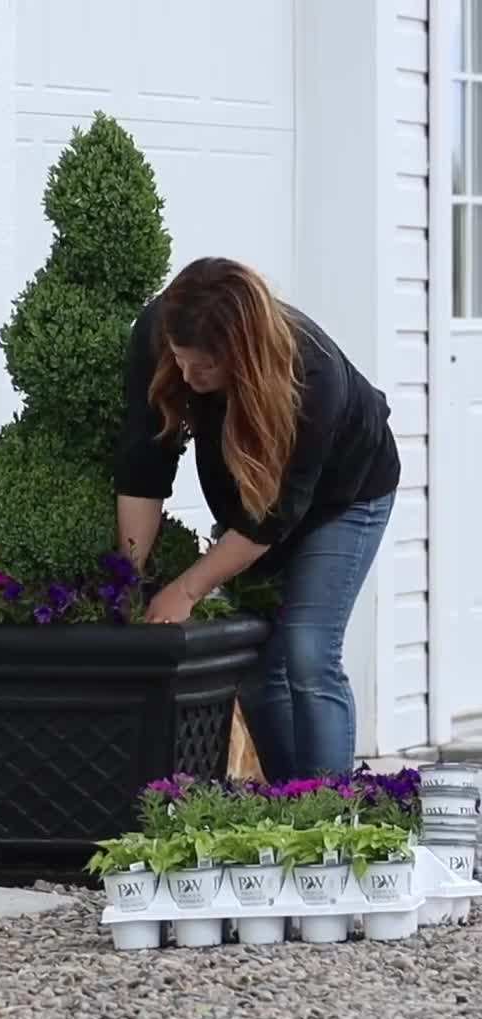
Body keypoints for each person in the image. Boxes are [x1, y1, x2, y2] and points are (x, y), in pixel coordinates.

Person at [114, 256, 400, 783]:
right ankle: (292, 804)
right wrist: (128, 577)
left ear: (243, 355)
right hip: (254, 509)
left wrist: (187, 588)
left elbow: (270, 519)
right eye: (180, 360)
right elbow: (144, 463)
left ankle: (332, 818)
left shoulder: (311, 377)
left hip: (345, 498)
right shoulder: (161, 330)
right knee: (256, 667)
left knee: (308, 652)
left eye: (204, 367)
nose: (186, 376)